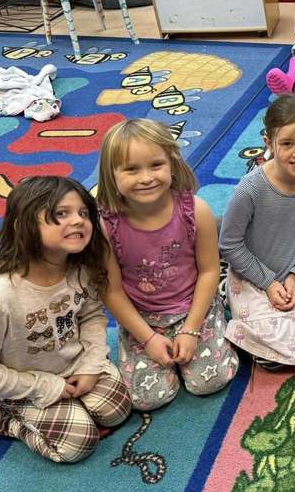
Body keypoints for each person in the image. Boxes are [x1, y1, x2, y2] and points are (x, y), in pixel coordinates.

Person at [0, 176, 131, 463]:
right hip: (23, 386)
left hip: (71, 365)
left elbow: (91, 316)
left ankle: (69, 405)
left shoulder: (79, 269)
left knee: (117, 410)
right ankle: (0, 416)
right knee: (77, 444)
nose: (77, 221)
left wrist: (91, 364)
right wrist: (45, 387)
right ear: (23, 225)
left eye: (83, 213)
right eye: (61, 214)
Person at [97, 119, 237, 410]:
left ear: (172, 164)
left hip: (194, 308)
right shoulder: (106, 227)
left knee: (209, 382)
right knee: (145, 399)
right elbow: (111, 291)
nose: (146, 178)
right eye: (131, 169)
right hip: (143, 317)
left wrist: (191, 329)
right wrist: (147, 339)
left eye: (155, 165)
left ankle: (218, 320)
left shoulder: (196, 211)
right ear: (111, 175)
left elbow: (210, 271)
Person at [219, 95, 295, 369]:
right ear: (269, 143)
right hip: (253, 274)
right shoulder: (250, 188)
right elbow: (229, 245)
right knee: (271, 348)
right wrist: (268, 282)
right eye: (287, 143)